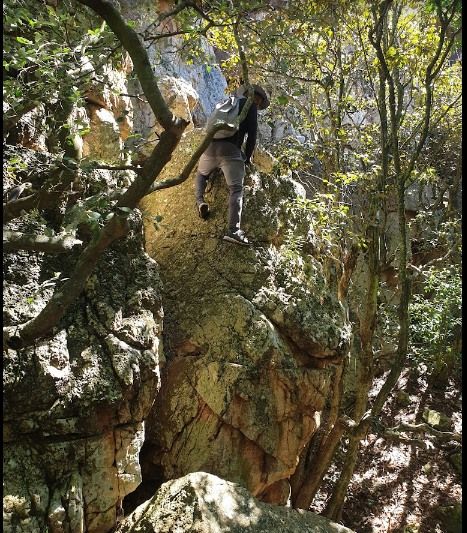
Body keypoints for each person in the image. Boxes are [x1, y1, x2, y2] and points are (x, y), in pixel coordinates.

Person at [195, 84, 270, 246]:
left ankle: (200, 200)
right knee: (236, 189)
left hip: (209, 148)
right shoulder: (250, 107)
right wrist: (247, 158)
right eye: (258, 100)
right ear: (256, 98)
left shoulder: (228, 102)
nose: (257, 103)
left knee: (201, 174)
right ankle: (233, 230)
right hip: (230, 152)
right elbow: (251, 137)